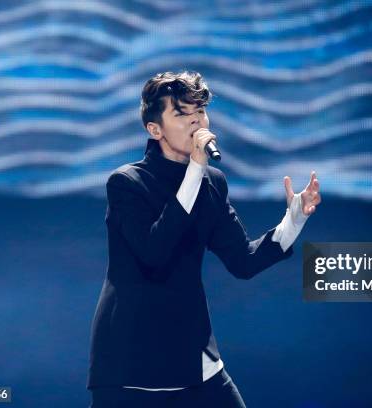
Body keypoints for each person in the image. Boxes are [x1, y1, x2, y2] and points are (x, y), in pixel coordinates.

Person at [87, 71, 321, 407]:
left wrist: (294, 217)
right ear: (155, 130)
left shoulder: (212, 182)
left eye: (200, 111)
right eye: (182, 114)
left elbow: (243, 261)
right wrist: (195, 168)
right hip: (133, 364)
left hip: (195, 358)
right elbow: (154, 252)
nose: (196, 120)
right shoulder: (127, 184)